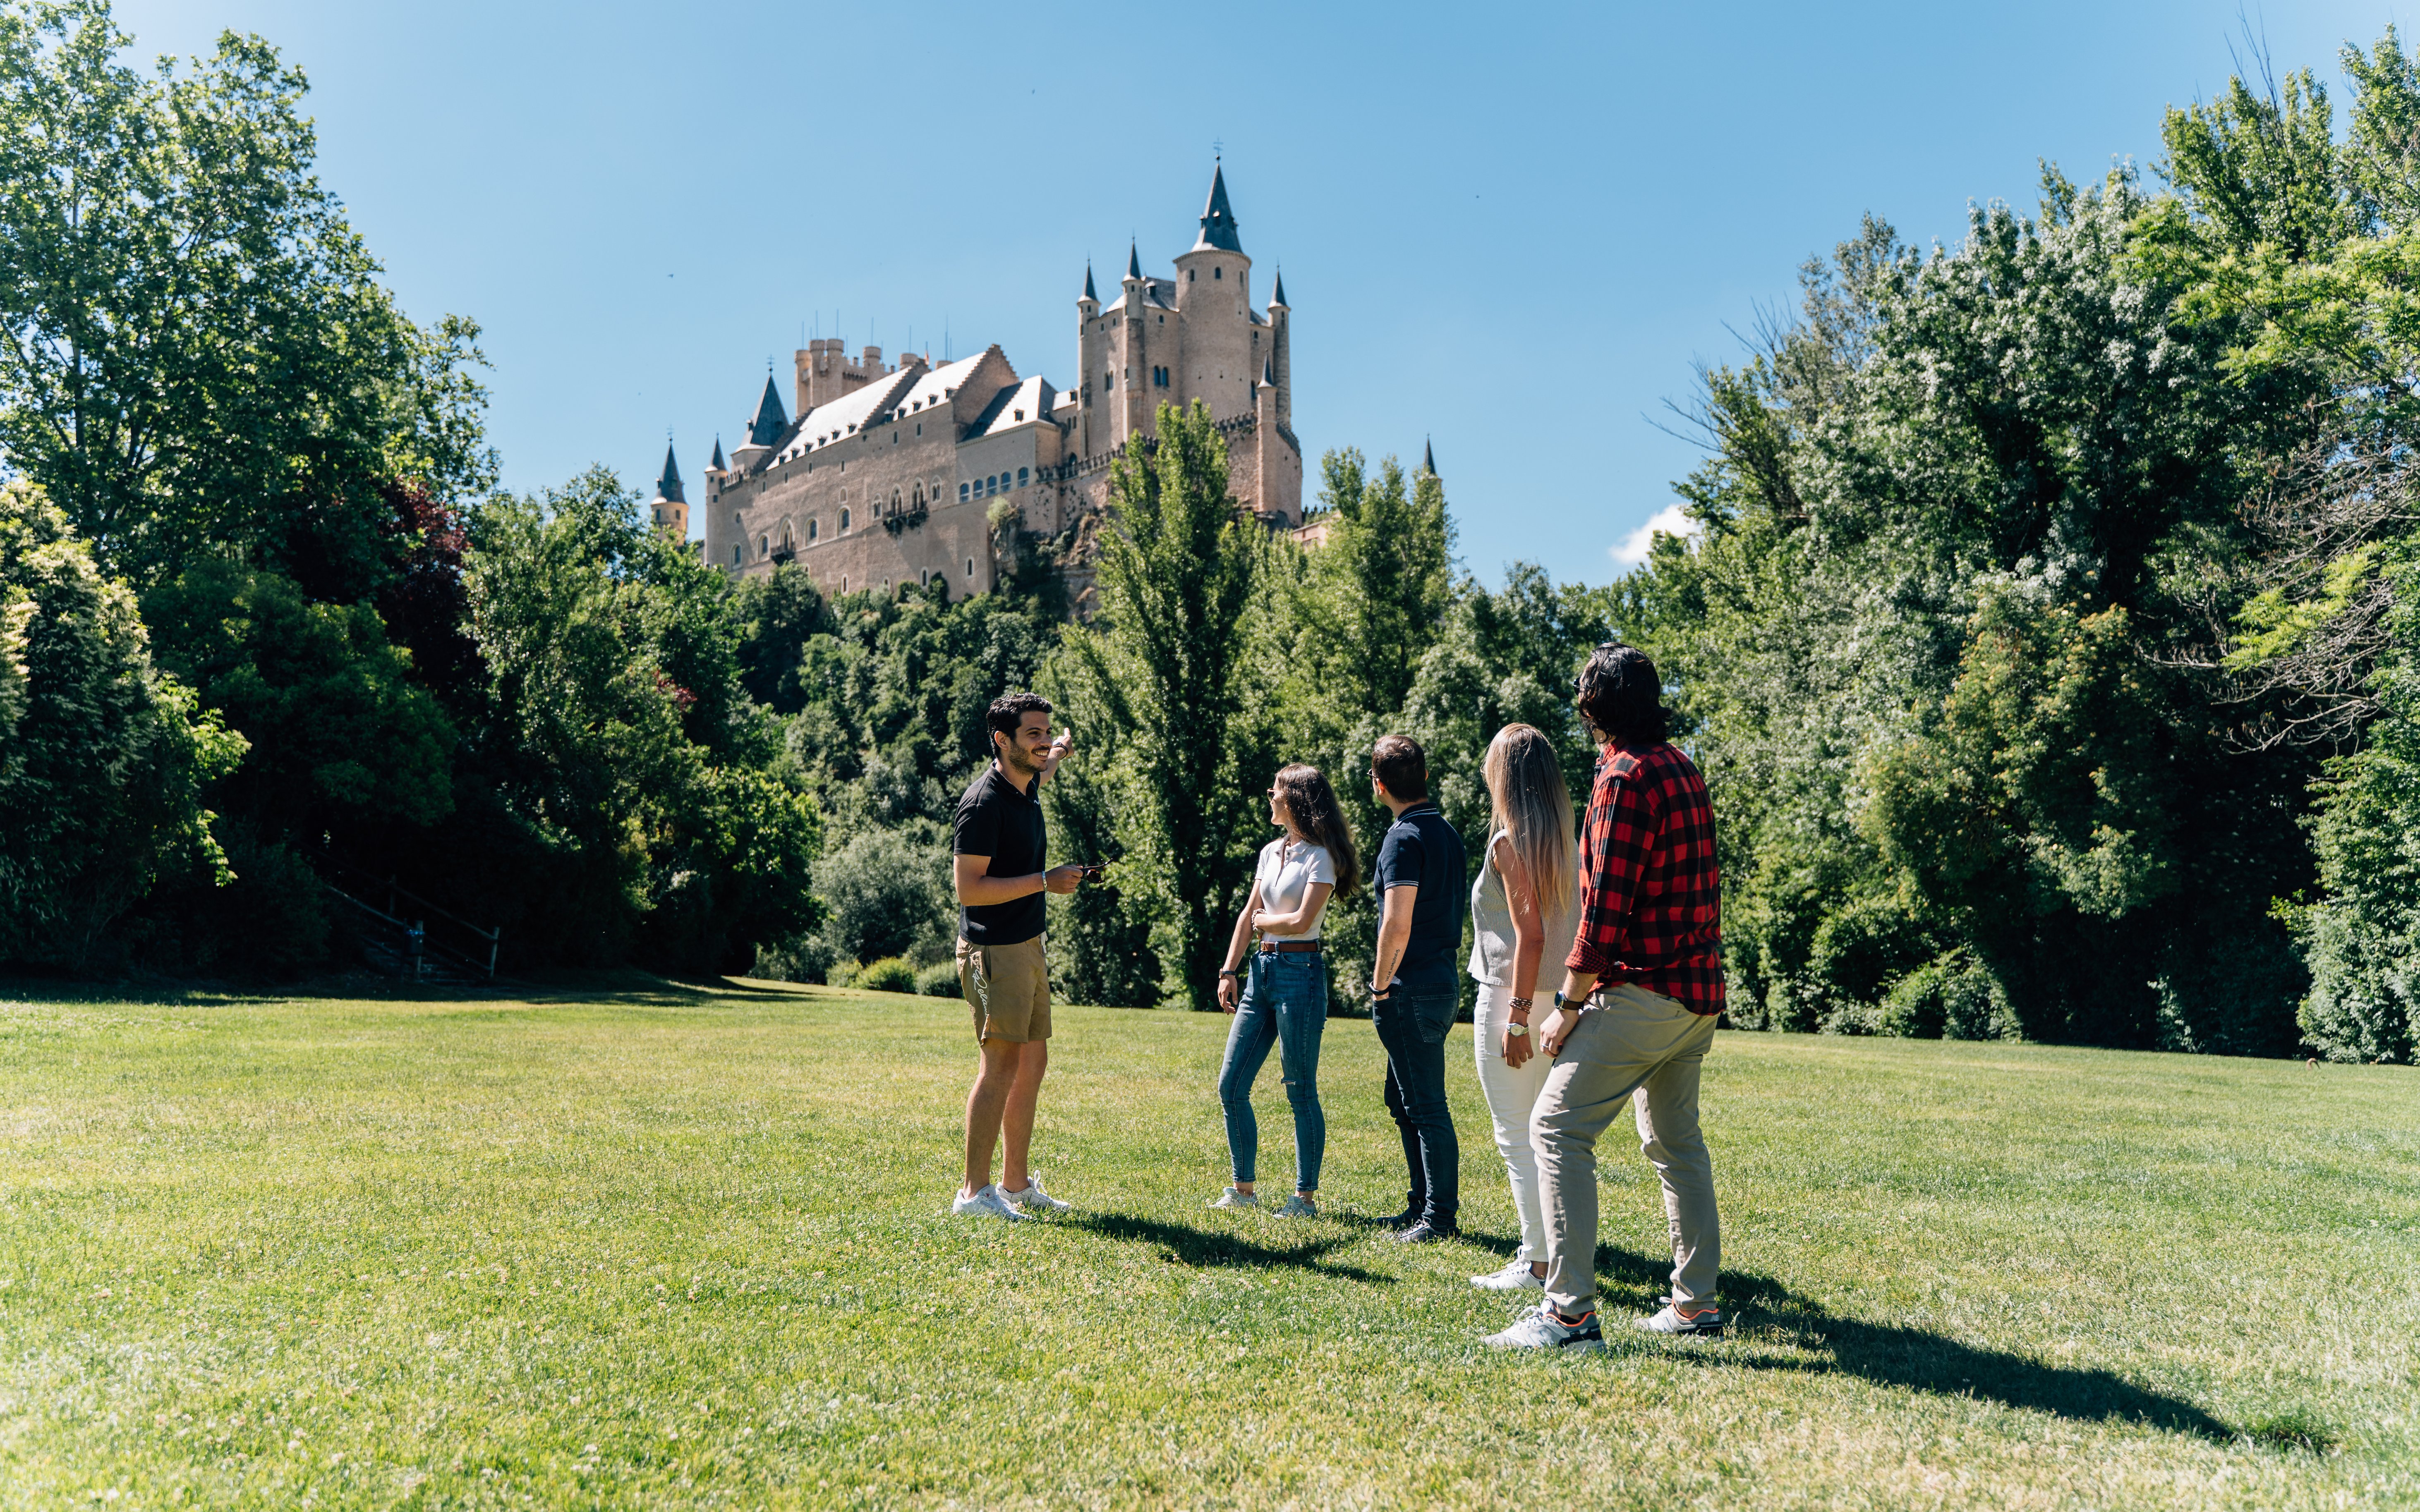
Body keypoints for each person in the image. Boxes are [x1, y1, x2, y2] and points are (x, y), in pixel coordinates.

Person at [1486, 645, 1727, 1352]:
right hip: (1697, 996)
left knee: (1555, 1129)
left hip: (1645, 994)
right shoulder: (1683, 765)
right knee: (1676, 1145)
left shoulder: (1624, 778)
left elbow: (1605, 911)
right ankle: (1696, 1306)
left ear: (1595, 707)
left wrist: (1565, 1002)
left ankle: (1569, 1314)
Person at [951, 691, 1087, 1222]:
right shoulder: (983, 803)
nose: (1044, 741)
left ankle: (1014, 1183)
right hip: (992, 951)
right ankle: (973, 1192)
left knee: (1032, 1060)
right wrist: (1044, 882)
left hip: (1026, 945)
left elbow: (1047, 764)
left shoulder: (1026, 780)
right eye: (1034, 733)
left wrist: (1060, 750)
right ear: (1002, 741)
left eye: (1047, 730)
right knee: (1000, 1063)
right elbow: (969, 889)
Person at [1208, 763, 1361, 1218]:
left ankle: (1305, 1198)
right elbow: (1247, 912)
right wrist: (1229, 969)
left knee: (1300, 1088)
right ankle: (1243, 1189)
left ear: (1295, 798)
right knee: (1231, 1084)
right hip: (1261, 973)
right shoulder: (1271, 851)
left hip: (1302, 971)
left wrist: (1261, 923)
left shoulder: (1322, 855)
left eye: (1275, 790)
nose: (1269, 795)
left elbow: (1298, 921)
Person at [1464, 723, 1584, 1292]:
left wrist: (1513, 1019)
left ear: (1502, 776)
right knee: (1545, 1137)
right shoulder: (1571, 842)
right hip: (1562, 999)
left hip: (1512, 997)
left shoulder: (1506, 841)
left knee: (1517, 1136)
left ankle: (1536, 1263)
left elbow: (1528, 936)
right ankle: (1545, 1257)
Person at [1367, 734, 1468, 1242]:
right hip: (1442, 982)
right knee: (1400, 1097)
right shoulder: (1447, 832)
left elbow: (1396, 922)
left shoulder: (1402, 838)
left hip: (1412, 987)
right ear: (1425, 777)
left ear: (1378, 784)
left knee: (1426, 1104)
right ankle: (1419, 1205)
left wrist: (1381, 985)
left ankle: (1439, 1218)